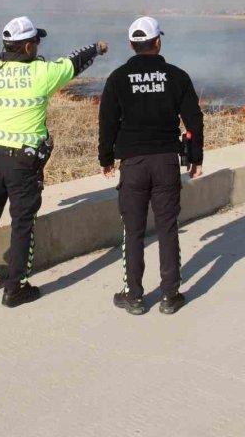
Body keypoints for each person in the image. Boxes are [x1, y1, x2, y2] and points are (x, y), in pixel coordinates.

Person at [0, 16, 108, 308]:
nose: (38, 46)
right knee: (22, 223)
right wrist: (97, 48)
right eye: (37, 42)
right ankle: (16, 288)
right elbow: (74, 62)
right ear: (28, 46)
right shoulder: (43, 73)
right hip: (23, 164)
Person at [98, 16, 204, 315]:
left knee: (132, 231)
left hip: (132, 164)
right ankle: (171, 296)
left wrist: (105, 159)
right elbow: (194, 120)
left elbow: (106, 123)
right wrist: (195, 157)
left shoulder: (117, 78)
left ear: (132, 45)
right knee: (168, 228)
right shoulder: (177, 76)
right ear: (158, 42)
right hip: (166, 162)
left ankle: (133, 296)